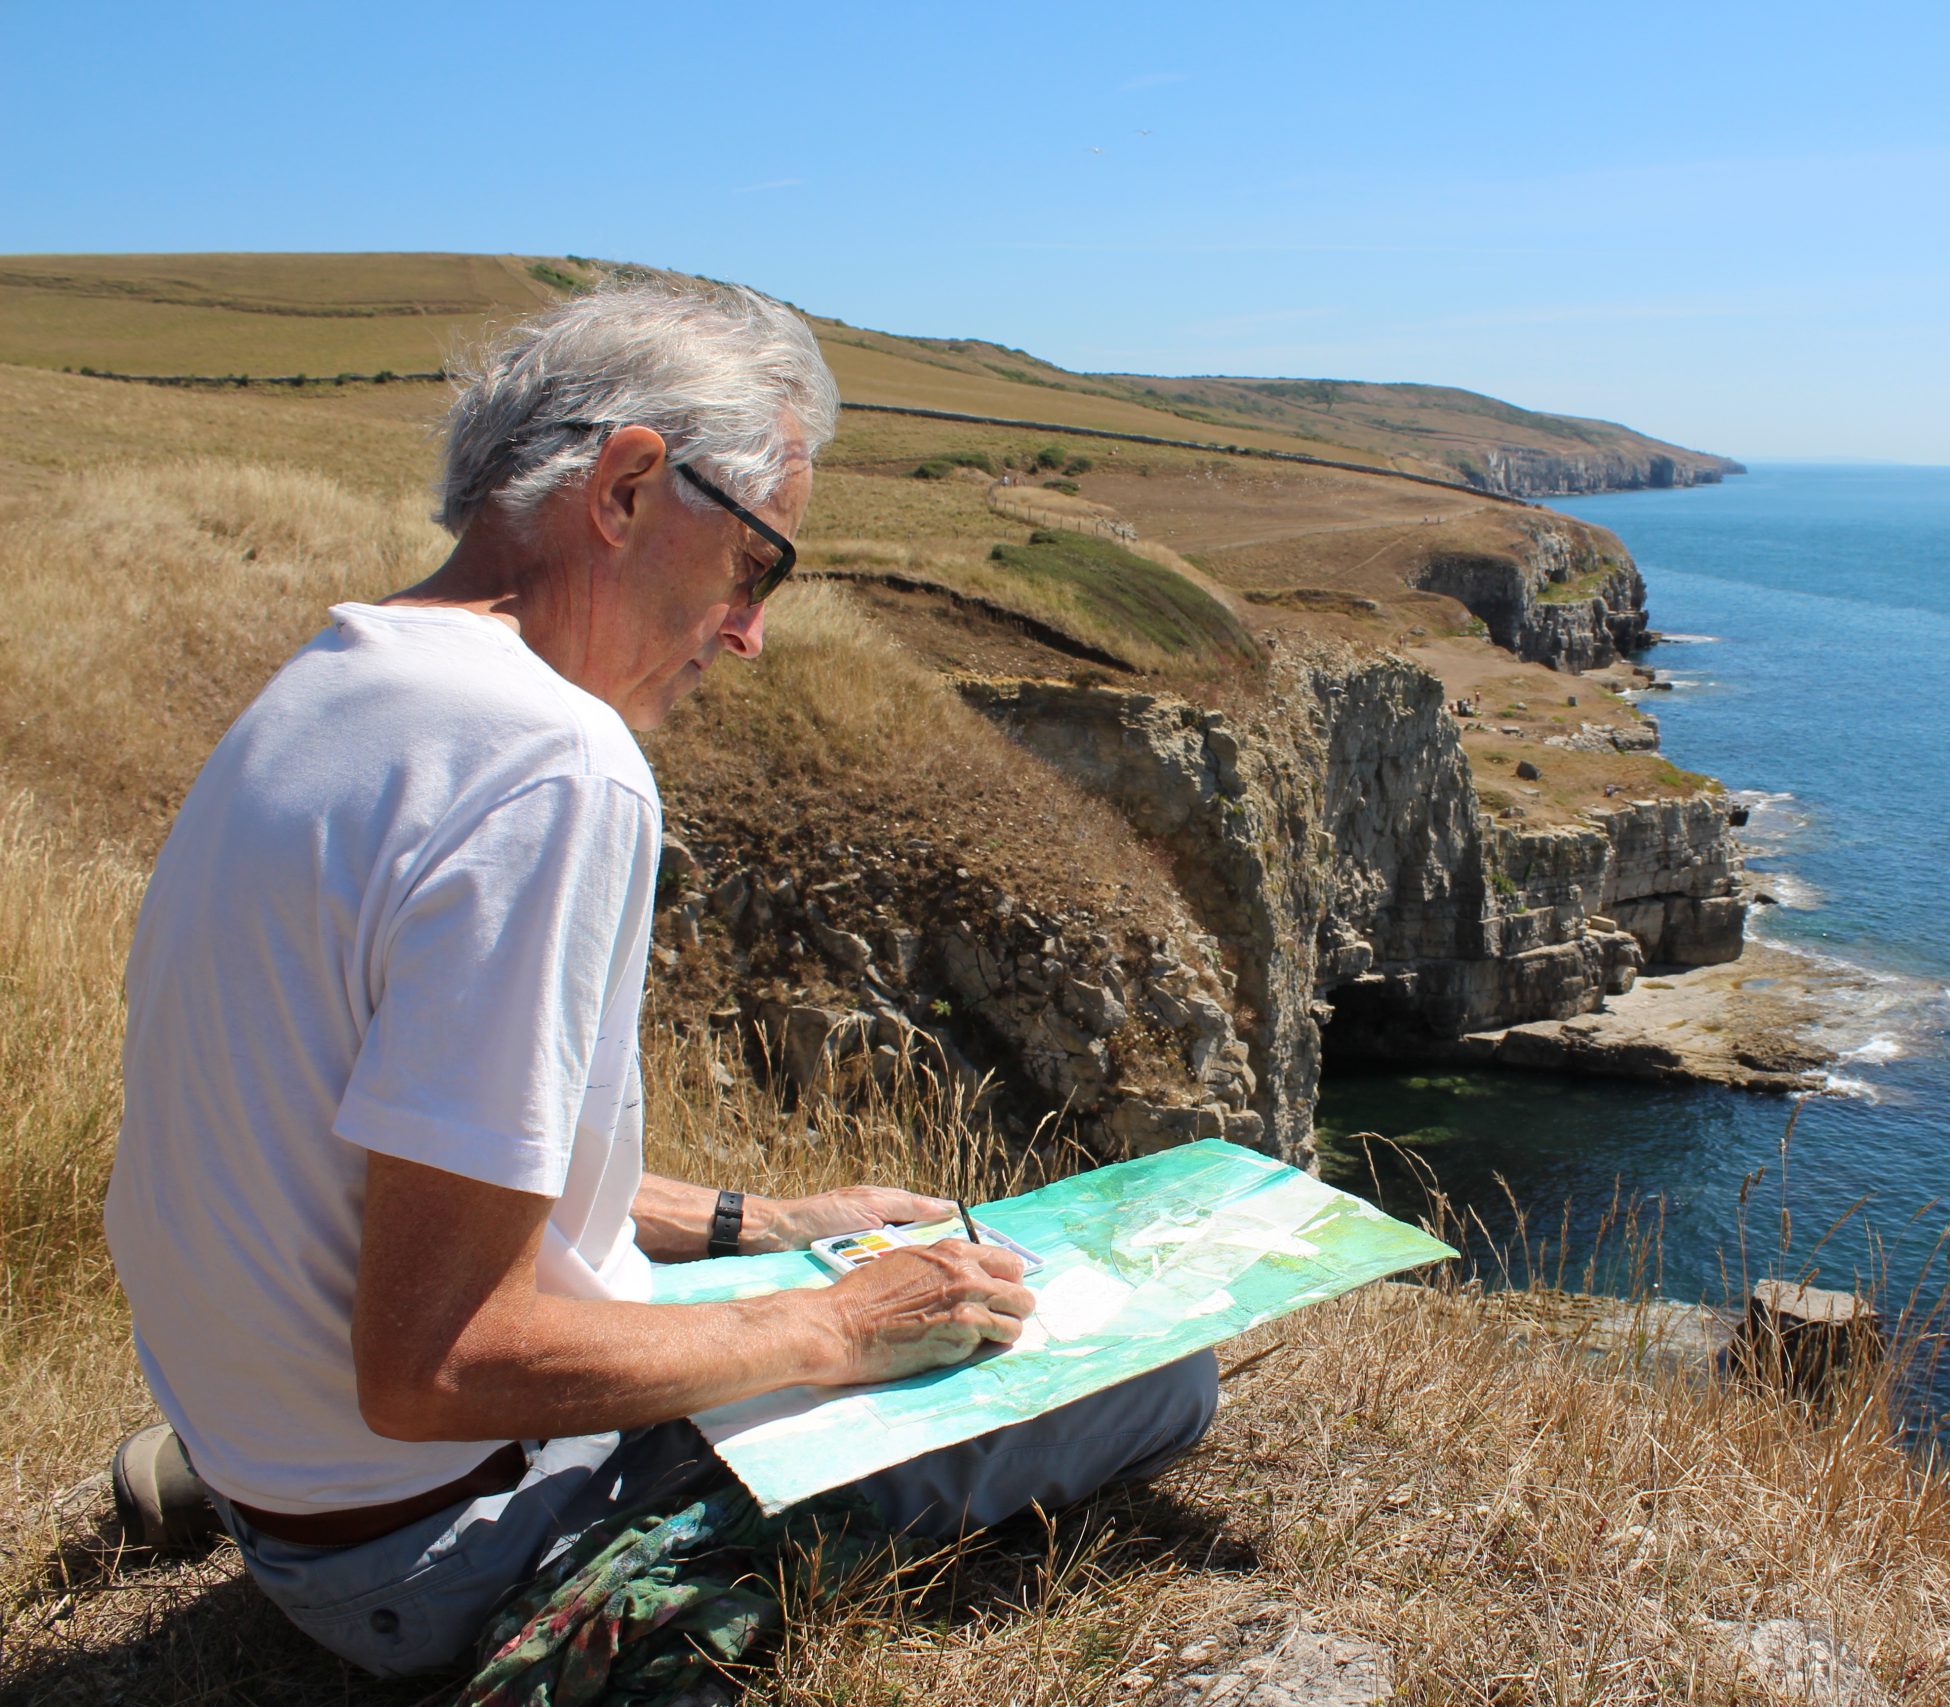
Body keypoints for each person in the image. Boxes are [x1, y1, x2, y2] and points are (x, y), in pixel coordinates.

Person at [102, 282, 1218, 1679]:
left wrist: (763, 1223)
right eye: (759, 564)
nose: (749, 630)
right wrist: (830, 1320)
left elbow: (396, 1149)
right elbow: (433, 1363)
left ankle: (225, 1476)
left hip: (284, 1474)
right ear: (628, 488)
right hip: (436, 1546)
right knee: (1159, 1378)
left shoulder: (325, 690)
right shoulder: (555, 762)